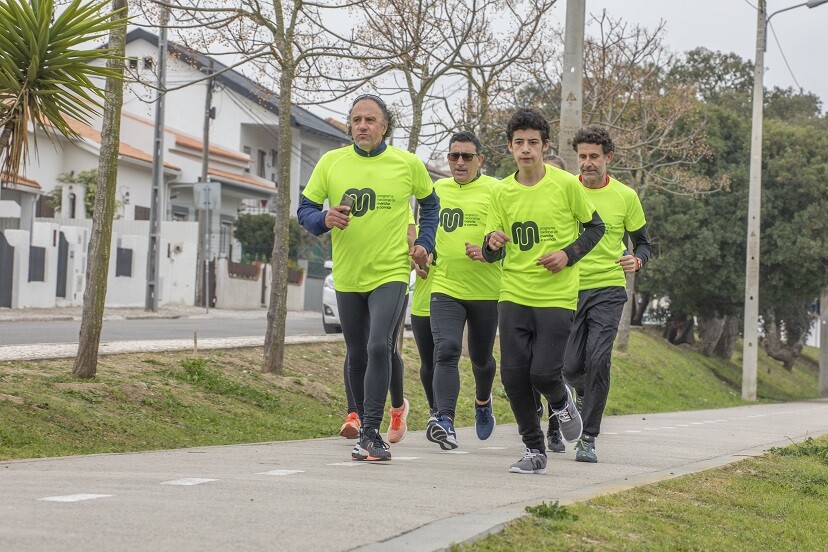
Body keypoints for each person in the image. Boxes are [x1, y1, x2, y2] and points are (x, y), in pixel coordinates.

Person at [298, 93, 439, 461]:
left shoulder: (407, 164)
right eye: (356, 119)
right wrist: (323, 219)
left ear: (385, 125)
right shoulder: (331, 162)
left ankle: (371, 432)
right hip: (347, 274)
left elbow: (431, 203)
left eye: (370, 120)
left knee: (381, 345)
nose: (362, 125)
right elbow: (306, 209)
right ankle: (365, 421)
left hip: (390, 272)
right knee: (357, 353)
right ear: (349, 124)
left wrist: (425, 241)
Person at [482, 108, 605, 475]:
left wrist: (568, 255)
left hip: (556, 297)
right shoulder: (501, 191)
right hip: (514, 293)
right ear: (510, 147)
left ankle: (561, 400)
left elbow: (595, 229)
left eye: (533, 143)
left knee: (545, 374)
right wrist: (491, 242)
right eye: (519, 143)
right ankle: (534, 450)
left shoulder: (567, 185)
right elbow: (491, 252)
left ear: (545, 146)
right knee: (512, 376)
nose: (526, 149)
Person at [563, 125, 651, 463]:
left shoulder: (625, 196)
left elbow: (643, 243)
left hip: (609, 288)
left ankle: (589, 437)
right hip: (569, 287)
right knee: (570, 368)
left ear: (608, 158)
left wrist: (637, 259)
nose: (587, 163)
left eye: (593, 157)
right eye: (582, 156)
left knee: (599, 359)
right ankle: (581, 391)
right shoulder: (567, 189)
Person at [425, 131, 502, 450]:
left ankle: (483, 403)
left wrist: (489, 252)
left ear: (479, 160)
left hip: (487, 289)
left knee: (482, 359)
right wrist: (423, 251)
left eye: (466, 156)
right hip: (445, 286)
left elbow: (506, 238)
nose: (459, 162)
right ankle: (445, 420)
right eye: (453, 156)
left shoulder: (497, 190)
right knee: (446, 350)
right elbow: (425, 230)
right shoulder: (435, 190)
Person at [339, 220, 418, 443]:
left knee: (382, 346)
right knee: (357, 349)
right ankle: (355, 414)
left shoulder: (399, 203)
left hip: (388, 282)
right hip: (355, 281)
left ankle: (397, 409)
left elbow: (412, 251)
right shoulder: (358, 200)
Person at [533, 152, 567, 454]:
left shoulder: (570, 206)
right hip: (524, 296)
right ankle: (533, 422)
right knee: (526, 368)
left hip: (559, 298)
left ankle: (555, 428)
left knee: (550, 369)